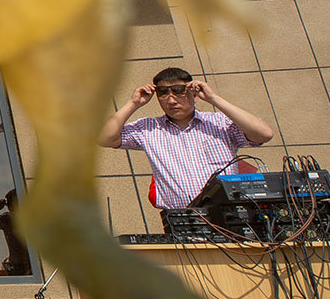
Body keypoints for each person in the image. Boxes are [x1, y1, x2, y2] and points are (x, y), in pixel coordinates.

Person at [99, 67, 275, 209]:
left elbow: (264, 134)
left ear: (194, 95)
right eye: (163, 93)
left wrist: (213, 99)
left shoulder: (220, 122)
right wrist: (133, 104)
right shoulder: (148, 128)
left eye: (178, 92)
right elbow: (104, 137)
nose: (171, 100)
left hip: (227, 213)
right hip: (180, 218)